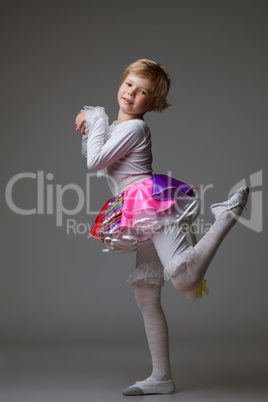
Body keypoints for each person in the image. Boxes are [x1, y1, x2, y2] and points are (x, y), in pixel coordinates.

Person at [75, 59, 249, 396]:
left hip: (151, 204)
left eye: (143, 92)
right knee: (145, 293)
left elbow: (95, 160)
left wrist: (93, 116)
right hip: (134, 207)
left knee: (184, 280)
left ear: (152, 104)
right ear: (121, 82)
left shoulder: (136, 128)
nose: (132, 94)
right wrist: (92, 127)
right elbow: (98, 159)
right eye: (129, 85)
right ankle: (161, 377)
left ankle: (226, 216)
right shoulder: (116, 128)